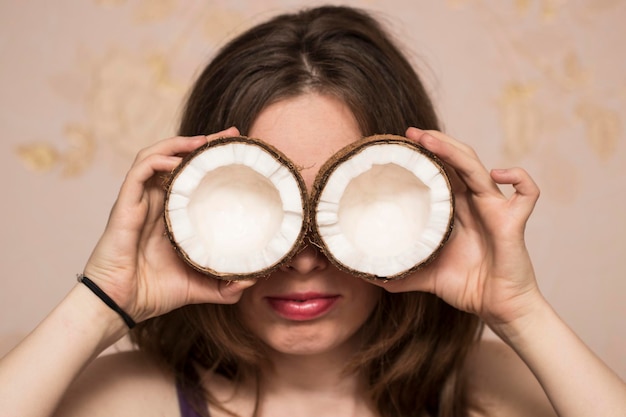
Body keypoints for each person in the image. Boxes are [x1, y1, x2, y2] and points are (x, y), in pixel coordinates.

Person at [1, 5, 624, 417]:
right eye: (275, 203)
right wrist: (100, 299)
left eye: (335, 198)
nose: (302, 258)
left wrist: (521, 311)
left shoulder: (495, 392)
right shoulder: (130, 399)